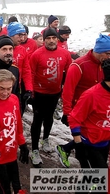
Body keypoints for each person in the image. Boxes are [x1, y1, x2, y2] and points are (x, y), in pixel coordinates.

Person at [56, 34, 110, 168]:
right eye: (108, 53)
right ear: (100, 51)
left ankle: (67, 149)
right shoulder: (79, 65)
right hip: (81, 112)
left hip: (98, 111)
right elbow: (68, 91)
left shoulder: (106, 65)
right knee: (86, 151)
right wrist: (67, 112)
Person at [29, 28, 72, 166]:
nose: (51, 41)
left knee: (49, 117)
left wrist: (64, 88)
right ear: (44, 40)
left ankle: (45, 139)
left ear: (57, 39)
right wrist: (30, 92)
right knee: (37, 120)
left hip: (55, 93)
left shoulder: (65, 53)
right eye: (48, 38)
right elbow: (31, 73)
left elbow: (69, 71)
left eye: (54, 38)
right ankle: (34, 149)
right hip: (39, 93)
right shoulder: (36, 54)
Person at [68, 59, 110, 174]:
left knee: (91, 180)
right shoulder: (91, 95)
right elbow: (74, 118)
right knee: (100, 178)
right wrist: (79, 144)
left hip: (105, 142)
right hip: (89, 144)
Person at [0, 22, 33, 115]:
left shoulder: (22, 50)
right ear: (11, 35)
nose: (22, 38)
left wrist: (28, 89)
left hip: (14, 89)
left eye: (24, 35)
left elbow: (26, 70)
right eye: (19, 35)